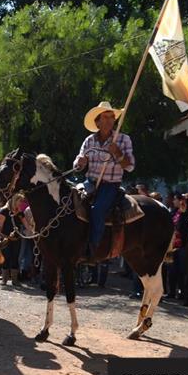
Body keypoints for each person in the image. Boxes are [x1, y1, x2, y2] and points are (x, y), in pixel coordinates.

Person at [72, 102, 135, 259]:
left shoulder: (123, 139)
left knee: (98, 210)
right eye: (105, 117)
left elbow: (130, 166)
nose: (109, 120)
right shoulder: (89, 140)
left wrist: (118, 153)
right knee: (70, 202)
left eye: (111, 117)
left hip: (110, 185)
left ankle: (92, 248)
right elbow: (78, 162)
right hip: (90, 182)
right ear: (97, 122)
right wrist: (79, 162)